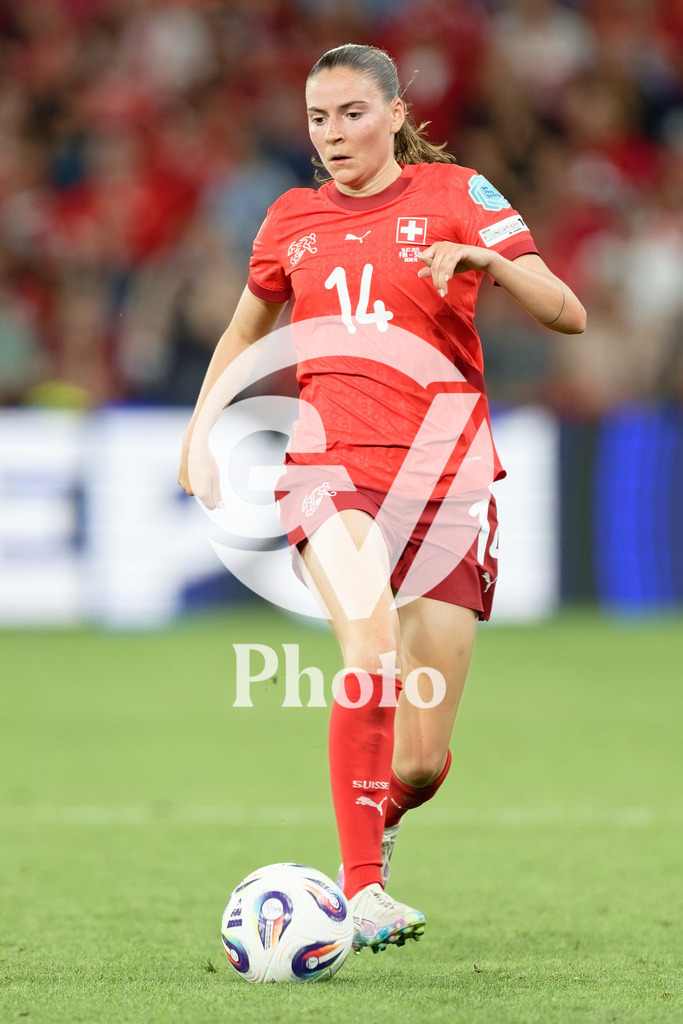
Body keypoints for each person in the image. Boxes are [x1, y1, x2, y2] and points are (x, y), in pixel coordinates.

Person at [177, 43, 586, 955]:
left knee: (419, 761)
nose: (333, 135)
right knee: (371, 645)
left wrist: (488, 258)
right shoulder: (291, 219)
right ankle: (360, 893)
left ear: (396, 114)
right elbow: (248, 326)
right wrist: (199, 431)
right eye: (319, 120)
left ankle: (381, 822)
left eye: (352, 114)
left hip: (445, 478)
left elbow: (568, 312)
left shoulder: (458, 195)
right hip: (329, 467)